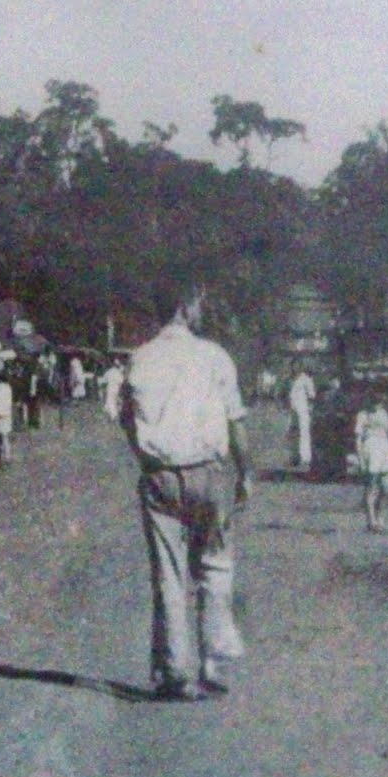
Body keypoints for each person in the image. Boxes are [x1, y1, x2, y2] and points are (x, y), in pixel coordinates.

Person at [120, 277, 251, 703]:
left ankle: (176, 673)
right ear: (187, 304)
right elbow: (235, 423)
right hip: (208, 472)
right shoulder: (214, 357)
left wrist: (146, 458)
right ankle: (213, 658)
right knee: (214, 564)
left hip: (159, 474)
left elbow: (126, 419)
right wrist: (245, 472)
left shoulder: (139, 359)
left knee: (170, 574)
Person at [353, 387, 388, 532]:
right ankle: (371, 521)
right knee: (371, 485)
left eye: (379, 402)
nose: (377, 405)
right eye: (375, 402)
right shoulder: (362, 415)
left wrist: (381, 421)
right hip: (370, 448)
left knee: (386, 486)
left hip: (384, 447)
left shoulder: (383, 414)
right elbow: (358, 438)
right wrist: (361, 459)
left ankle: (380, 518)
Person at [288, 363, 316, 471]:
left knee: (304, 434)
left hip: (303, 411)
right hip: (294, 411)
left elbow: (312, 395)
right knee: (293, 434)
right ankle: (295, 457)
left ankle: (306, 458)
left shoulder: (306, 380)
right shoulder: (295, 380)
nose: (294, 369)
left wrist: (310, 407)